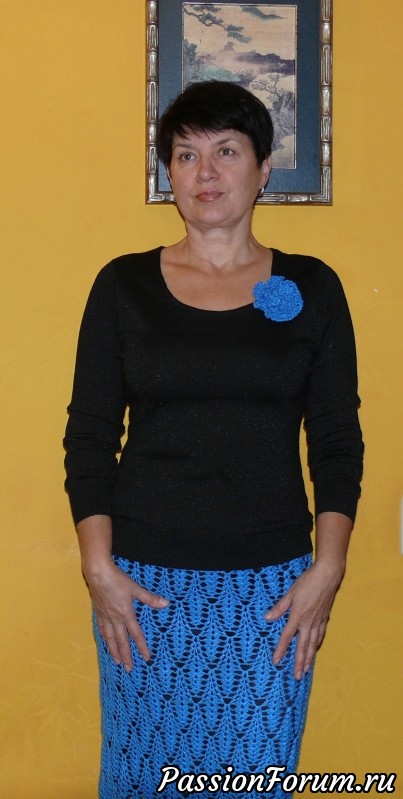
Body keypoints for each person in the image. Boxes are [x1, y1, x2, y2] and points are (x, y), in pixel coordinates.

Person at [64, 81, 363, 798]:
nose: (205, 172)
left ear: (263, 170)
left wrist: (327, 568)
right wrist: (98, 569)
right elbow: (90, 435)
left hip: (273, 591)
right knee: (145, 776)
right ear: (169, 173)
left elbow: (336, 439)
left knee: (253, 776)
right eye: (185, 154)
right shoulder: (123, 286)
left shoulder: (313, 286)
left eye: (226, 151)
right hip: (142, 589)